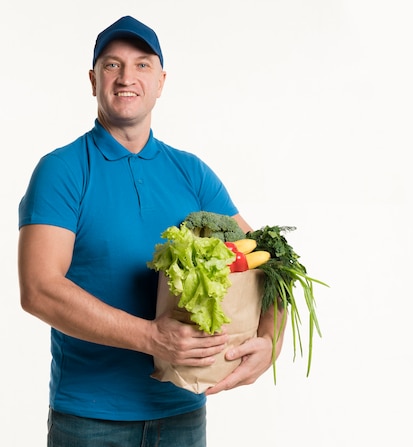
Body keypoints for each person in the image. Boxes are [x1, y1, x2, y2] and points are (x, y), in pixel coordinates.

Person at [18, 15, 284, 447]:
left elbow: (266, 262)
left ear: (161, 81)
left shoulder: (192, 174)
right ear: (93, 79)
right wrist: (151, 338)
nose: (127, 77)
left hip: (182, 414)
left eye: (143, 65)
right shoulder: (62, 171)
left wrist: (269, 342)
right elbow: (38, 289)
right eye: (112, 65)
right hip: (90, 419)